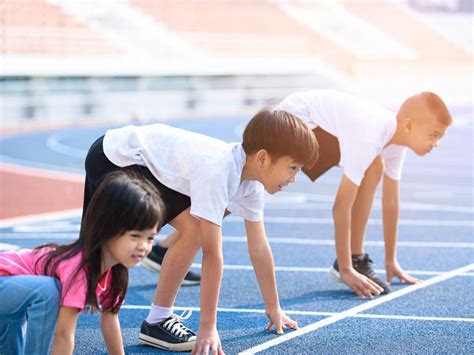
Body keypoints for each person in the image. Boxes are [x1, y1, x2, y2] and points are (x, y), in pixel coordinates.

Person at [83, 108, 319, 353]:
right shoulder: (218, 170)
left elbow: (259, 247)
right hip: (116, 157)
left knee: (187, 230)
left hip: (139, 160)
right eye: (292, 168)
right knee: (186, 232)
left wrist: (274, 307)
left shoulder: (251, 185)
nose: (294, 178)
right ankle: (156, 320)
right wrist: (207, 326)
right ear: (262, 158)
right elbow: (212, 254)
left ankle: (155, 319)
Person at [278, 90, 452, 297]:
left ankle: (355, 259)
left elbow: (391, 203)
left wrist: (391, 260)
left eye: (440, 137)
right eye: (433, 135)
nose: (436, 143)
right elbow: (341, 206)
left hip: (314, 123)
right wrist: (345, 270)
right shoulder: (370, 137)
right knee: (374, 165)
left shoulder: (396, 143)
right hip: (294, 120)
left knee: (374, 166)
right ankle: (352, 261)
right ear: (408, 125)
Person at [0, 170, 164, 355]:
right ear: (106, 228)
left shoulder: (116, 271)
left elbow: (110, 319)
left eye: (150, 238)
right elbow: (63, 336)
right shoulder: (79, 269)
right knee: (48, 291)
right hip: (5, 285)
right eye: (135, 236)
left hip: (11, 306)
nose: (144, 246)